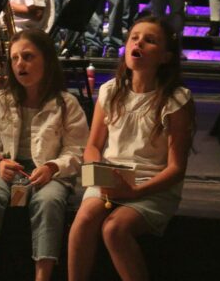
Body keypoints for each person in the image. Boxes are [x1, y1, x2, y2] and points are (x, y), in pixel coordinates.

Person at [67, 16, 195, 281]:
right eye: (134, 38)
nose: (139, 43)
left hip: (152, 186)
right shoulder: (110, 91)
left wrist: (135, 191)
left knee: (114, 229)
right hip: (112, 179)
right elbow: (93, 146)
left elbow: (176, 168)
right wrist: (98, 173)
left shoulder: (175, 100)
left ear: (165, 57)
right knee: (84, 219)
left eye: (150, 40)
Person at [0, 28, 88, 281]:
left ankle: (42, 276)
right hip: (7, 169)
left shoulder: (66, 104)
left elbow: (77, 150)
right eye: (14, 58)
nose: (20, 64)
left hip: (49, 173)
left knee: (49, 201)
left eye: (28, 57)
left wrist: (52, 167)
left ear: (46, 60)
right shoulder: (0, 100)